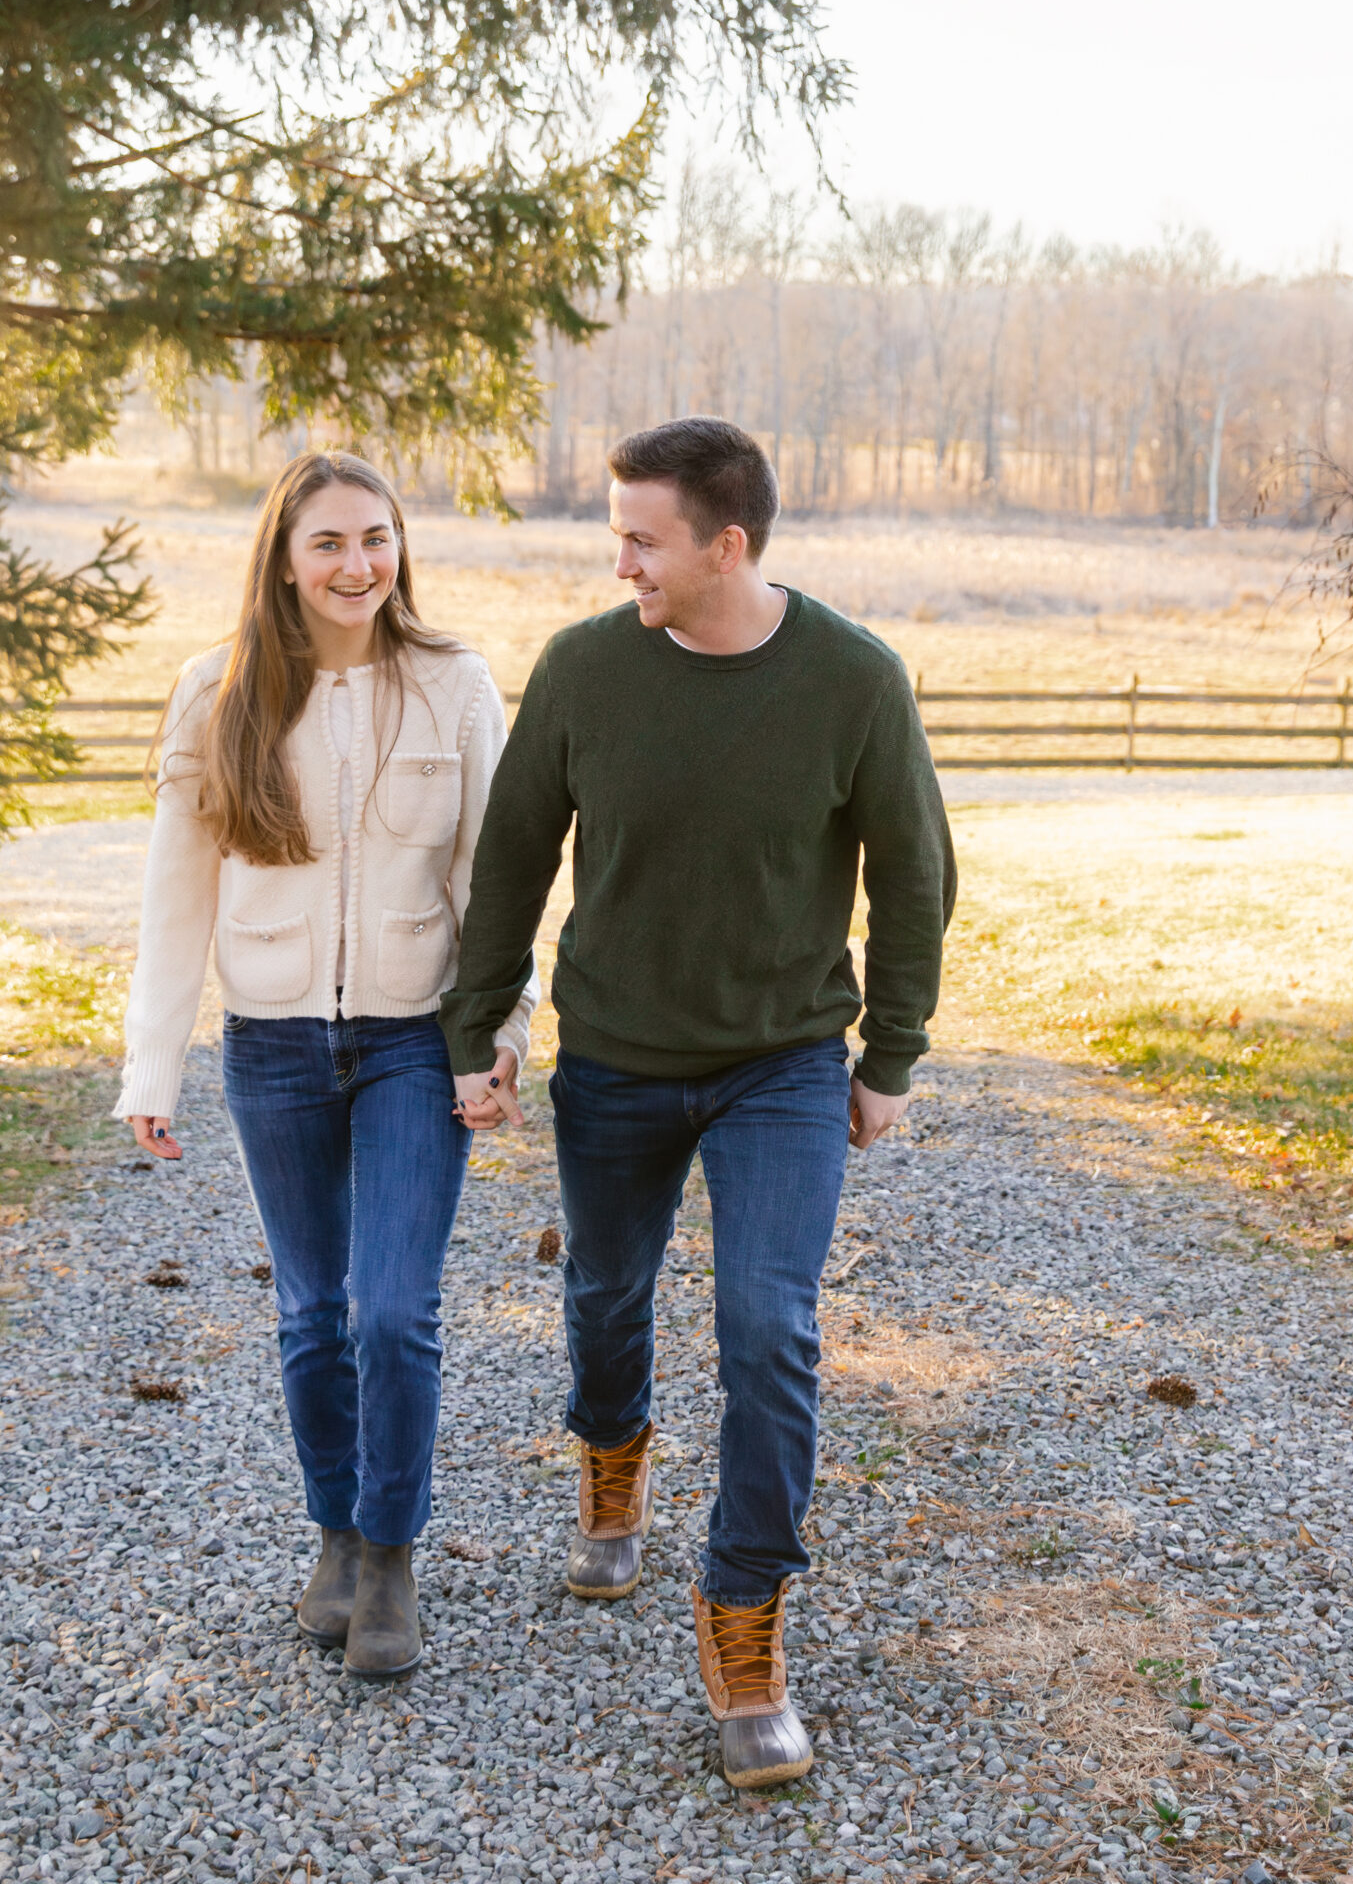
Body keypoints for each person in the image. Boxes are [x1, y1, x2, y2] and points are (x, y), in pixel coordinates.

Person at [439, 415, 955, 1786]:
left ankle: (743, 1626)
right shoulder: (581, 673)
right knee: (604, 1298)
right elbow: (508, 865)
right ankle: (610, 1466)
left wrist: (887, 1058)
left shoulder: (851, 681)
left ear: (725, 545)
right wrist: (476, 1027)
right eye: (614, 535)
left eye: (640, 539)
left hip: (780, 1062)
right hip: (612, 1057)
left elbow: (913, 876)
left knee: (767, 1328)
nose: (619, 563)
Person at [114, 451, 534, 1676]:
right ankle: (336, 1532)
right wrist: (153, 1067)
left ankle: (393, 1553)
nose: (359, 566)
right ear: (285, 561)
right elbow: (173, 895)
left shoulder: (454, 686)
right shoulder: (217, 692)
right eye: (330, 544)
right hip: (275, 1043)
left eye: (378, 538)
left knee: (394, 1311)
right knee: (311, 1314)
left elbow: (492, 886)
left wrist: (497, 1037)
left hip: (416, 1038)